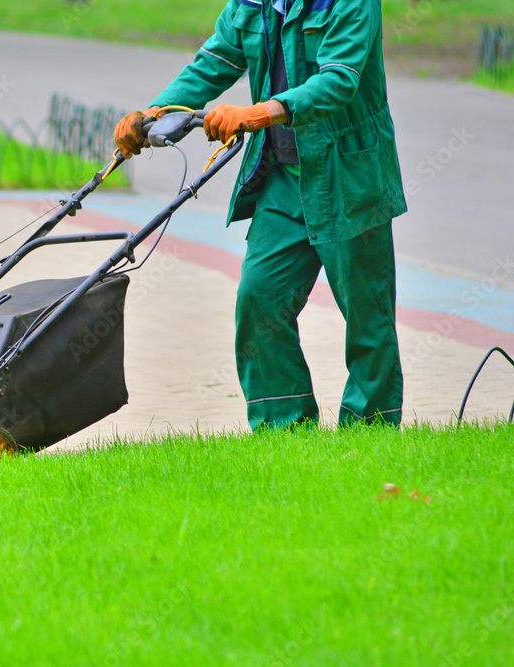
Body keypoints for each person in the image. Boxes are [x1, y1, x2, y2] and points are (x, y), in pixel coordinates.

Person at [114, 0, 407, 430]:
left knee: (367, 314)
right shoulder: (253, 2)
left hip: (348, 176)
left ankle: (371, 430)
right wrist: (155, 114)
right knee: (260, 297)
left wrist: (258, 112)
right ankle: (283, 428)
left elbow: (338, 81)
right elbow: (213, 62)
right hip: (283, 178)